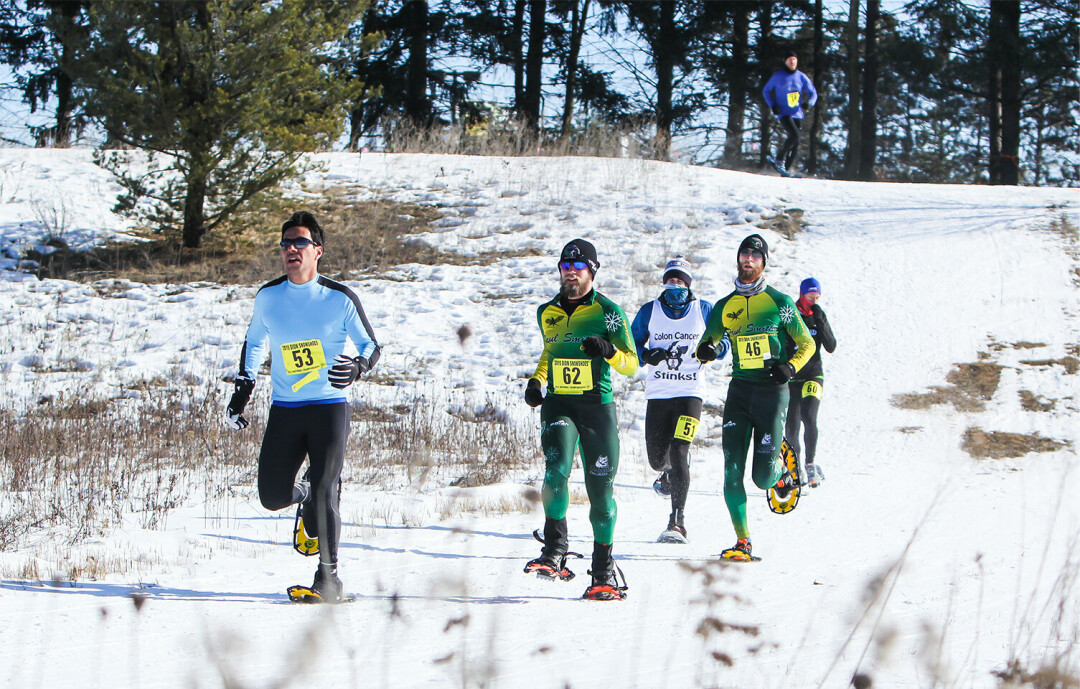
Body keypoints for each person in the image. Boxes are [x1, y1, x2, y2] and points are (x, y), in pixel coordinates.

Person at [225, 210, 380, 603]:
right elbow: (255, 343)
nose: (291, 249)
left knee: (327, 487)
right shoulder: (268, 297)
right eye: (285, 244)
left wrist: (358, 368)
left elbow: (371, 346)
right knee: (272, 496)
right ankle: (304, 494)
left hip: (329, 407)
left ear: (318, 251)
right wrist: (243, 388)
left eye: (300, 243)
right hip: (286, 409)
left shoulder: (339, 298)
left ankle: (329, 581)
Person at [523, 238, 638, 600]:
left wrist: (609, 350)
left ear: (592, 271)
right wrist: (537, 380)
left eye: (578, 267)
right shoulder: (547, 312)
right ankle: (554, 550)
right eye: (565, 267)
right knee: (555, 470)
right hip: (559, 405)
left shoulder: (609, 312)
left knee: (600, 490)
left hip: (596, 410)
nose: (571, 272)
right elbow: (551, 351)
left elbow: (632, 365)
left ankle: (603, 569)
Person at [696, 234, 815, 562]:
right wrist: (706, 350)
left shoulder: (779, 302)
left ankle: (782, 470)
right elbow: (709, 343)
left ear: (764, 263)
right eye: (744, 254)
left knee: (762, 478)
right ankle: (743, 540)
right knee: (731, 470)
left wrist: (790, 367)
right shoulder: (724, 306)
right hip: (740, 392)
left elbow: (807, 344)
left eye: (755, 255)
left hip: (772, 392)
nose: (748, 259)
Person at [630, 256, 726, 544]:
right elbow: (630, 344)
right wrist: (646, 355)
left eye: (680, 281)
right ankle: (668, 471)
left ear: (689, 285)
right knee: (657, 459)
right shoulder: (650, 311)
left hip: (690, 395)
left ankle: (677, 522)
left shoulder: (704, 310)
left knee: (680, 450)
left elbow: (723, 343)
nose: (675, 286)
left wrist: (714, 349)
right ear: (664, 283)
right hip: (659, 395)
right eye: (671, 280)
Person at [784, 277, 837, 488]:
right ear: (801, 294)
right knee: (792, 424)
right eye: (810, 297)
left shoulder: (818, 314)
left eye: (817, 297)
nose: (813, 301)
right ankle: (794, 465)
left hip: (813, 374)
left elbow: (831, 346)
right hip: (793, 375)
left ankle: (810, 463)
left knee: (809, 416)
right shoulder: (791, 313)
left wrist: (821, 321)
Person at [762, 49, 817, 175]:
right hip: (783, 112)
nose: (792, 62)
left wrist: (809, 103)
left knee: (796, 142)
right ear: (785, 62)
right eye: (790, 60)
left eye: (794, 60)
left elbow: (813, 93)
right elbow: (766, 91)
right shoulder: (778, 76)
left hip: (797, 112)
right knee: (795, 136)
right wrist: (773, 105)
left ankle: (785, 171)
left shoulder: (801, 77)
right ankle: (779, 159)